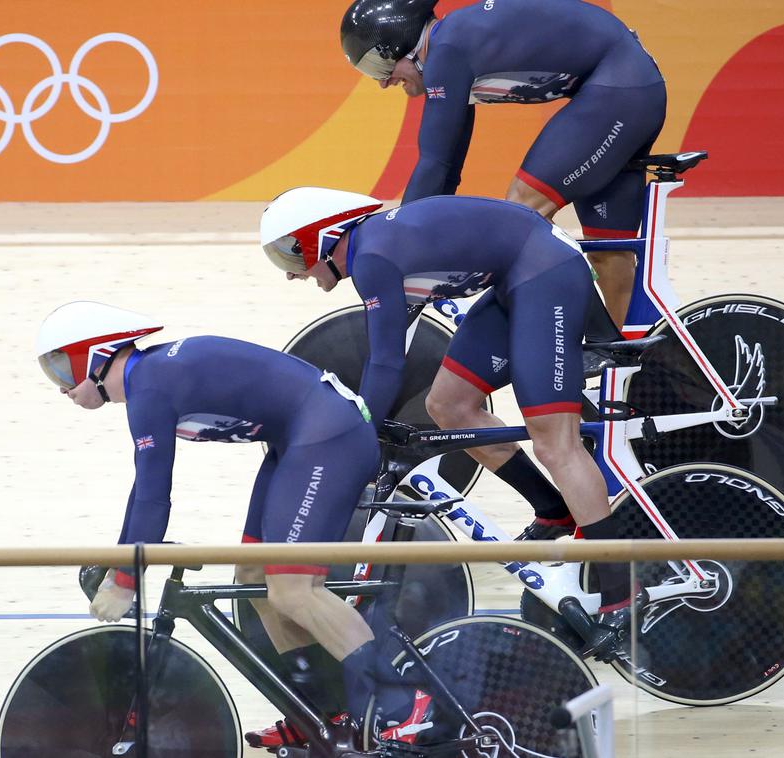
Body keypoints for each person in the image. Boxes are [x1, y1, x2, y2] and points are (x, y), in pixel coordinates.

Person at [35, 301, 431, 749]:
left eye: (62, 370)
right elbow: (140, 494)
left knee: (294, 588)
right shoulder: (147, 382)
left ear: (95, 355)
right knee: (254, 578)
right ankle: (321, 715)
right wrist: (118, 563)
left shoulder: (148, 386)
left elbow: (152, 495)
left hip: (328, 433)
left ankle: (404, 704)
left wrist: (125, 578)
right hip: (300, 436)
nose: (62, 388)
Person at [260, 187, 641, 650]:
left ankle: (622, 596)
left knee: (554, 441)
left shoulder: (372, 258)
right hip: (518, 276)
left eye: (291, 255)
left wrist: (356, 435)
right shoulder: (373, 249)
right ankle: (554, 511)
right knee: (449, 405)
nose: (291, 275)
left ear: (323, 236)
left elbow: (385, 363)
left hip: (544, 276)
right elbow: (388, 354)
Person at [340, 0, 664, 529]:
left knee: (520, 218)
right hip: (620, 87)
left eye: (379, 67)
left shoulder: (444, 51)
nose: (381, 82)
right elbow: (447, 168)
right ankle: (632, 384)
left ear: (400, 42)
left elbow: (436, 162)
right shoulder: (450, 53)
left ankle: (577, 352)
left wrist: (400, 245)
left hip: (618, 87)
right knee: (611, 259)